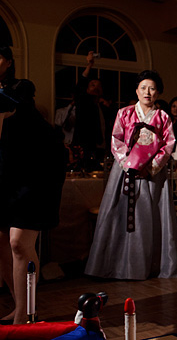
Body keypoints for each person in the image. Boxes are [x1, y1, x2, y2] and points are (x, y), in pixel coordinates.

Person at [84, 70, 177, 280]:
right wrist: (130, 164)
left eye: (152, 88)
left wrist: (150, 166)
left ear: (158, 92)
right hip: (125, 173)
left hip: (152, 175)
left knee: (151, 218)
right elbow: (116, 140)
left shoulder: (162, 117)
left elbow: (168, 145)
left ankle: (150, 265)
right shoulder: (124, 113)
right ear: (137, 90)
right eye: (143, 87)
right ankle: (116, 265)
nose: (148, 92)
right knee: (119, 216)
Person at [0, 45, 66, 324]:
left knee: (18, 242)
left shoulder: (18, 89)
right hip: (6, 174)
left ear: (7, 61)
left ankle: (25, 316)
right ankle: (21, 307)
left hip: (36, 173)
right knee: (2, 241)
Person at [72, 51, 114, 170]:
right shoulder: (83, 103)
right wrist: (89, 65)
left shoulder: (103, 107)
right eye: (92, 85)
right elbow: (79, 87)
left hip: (102, 149)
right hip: (85, 148)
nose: (96, 87)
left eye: (98, 86)